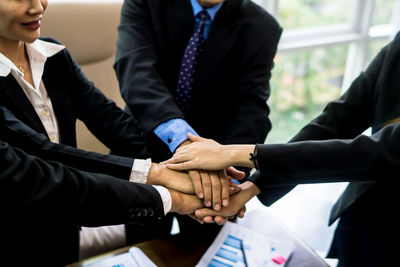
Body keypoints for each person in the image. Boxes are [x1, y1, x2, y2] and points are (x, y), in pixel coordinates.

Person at [0, 0, 223, 258]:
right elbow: (45, 156)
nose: (38, 7)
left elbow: (111, 121)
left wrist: (186, 168)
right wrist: (166, 186)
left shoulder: (54, 56)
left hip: (67, 230)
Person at [164, 32, 400, 267]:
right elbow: (338, 120)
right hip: (360, 217)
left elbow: (378, 152)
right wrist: (252, 186)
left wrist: (233, 154)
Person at [114, 0, 282, 242]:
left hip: (215, 173)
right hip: (144, 151)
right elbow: (137, 75)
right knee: (144, 248)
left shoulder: (262, 27)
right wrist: (187, 145)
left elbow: (251, 107)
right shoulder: (145, 3)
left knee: (203, 249)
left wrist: (231, 174)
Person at [0, 140, 203, 266]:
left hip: (67, 231)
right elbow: (47, 182)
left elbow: (45, 148)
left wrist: (156, 172)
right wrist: (173, 198)